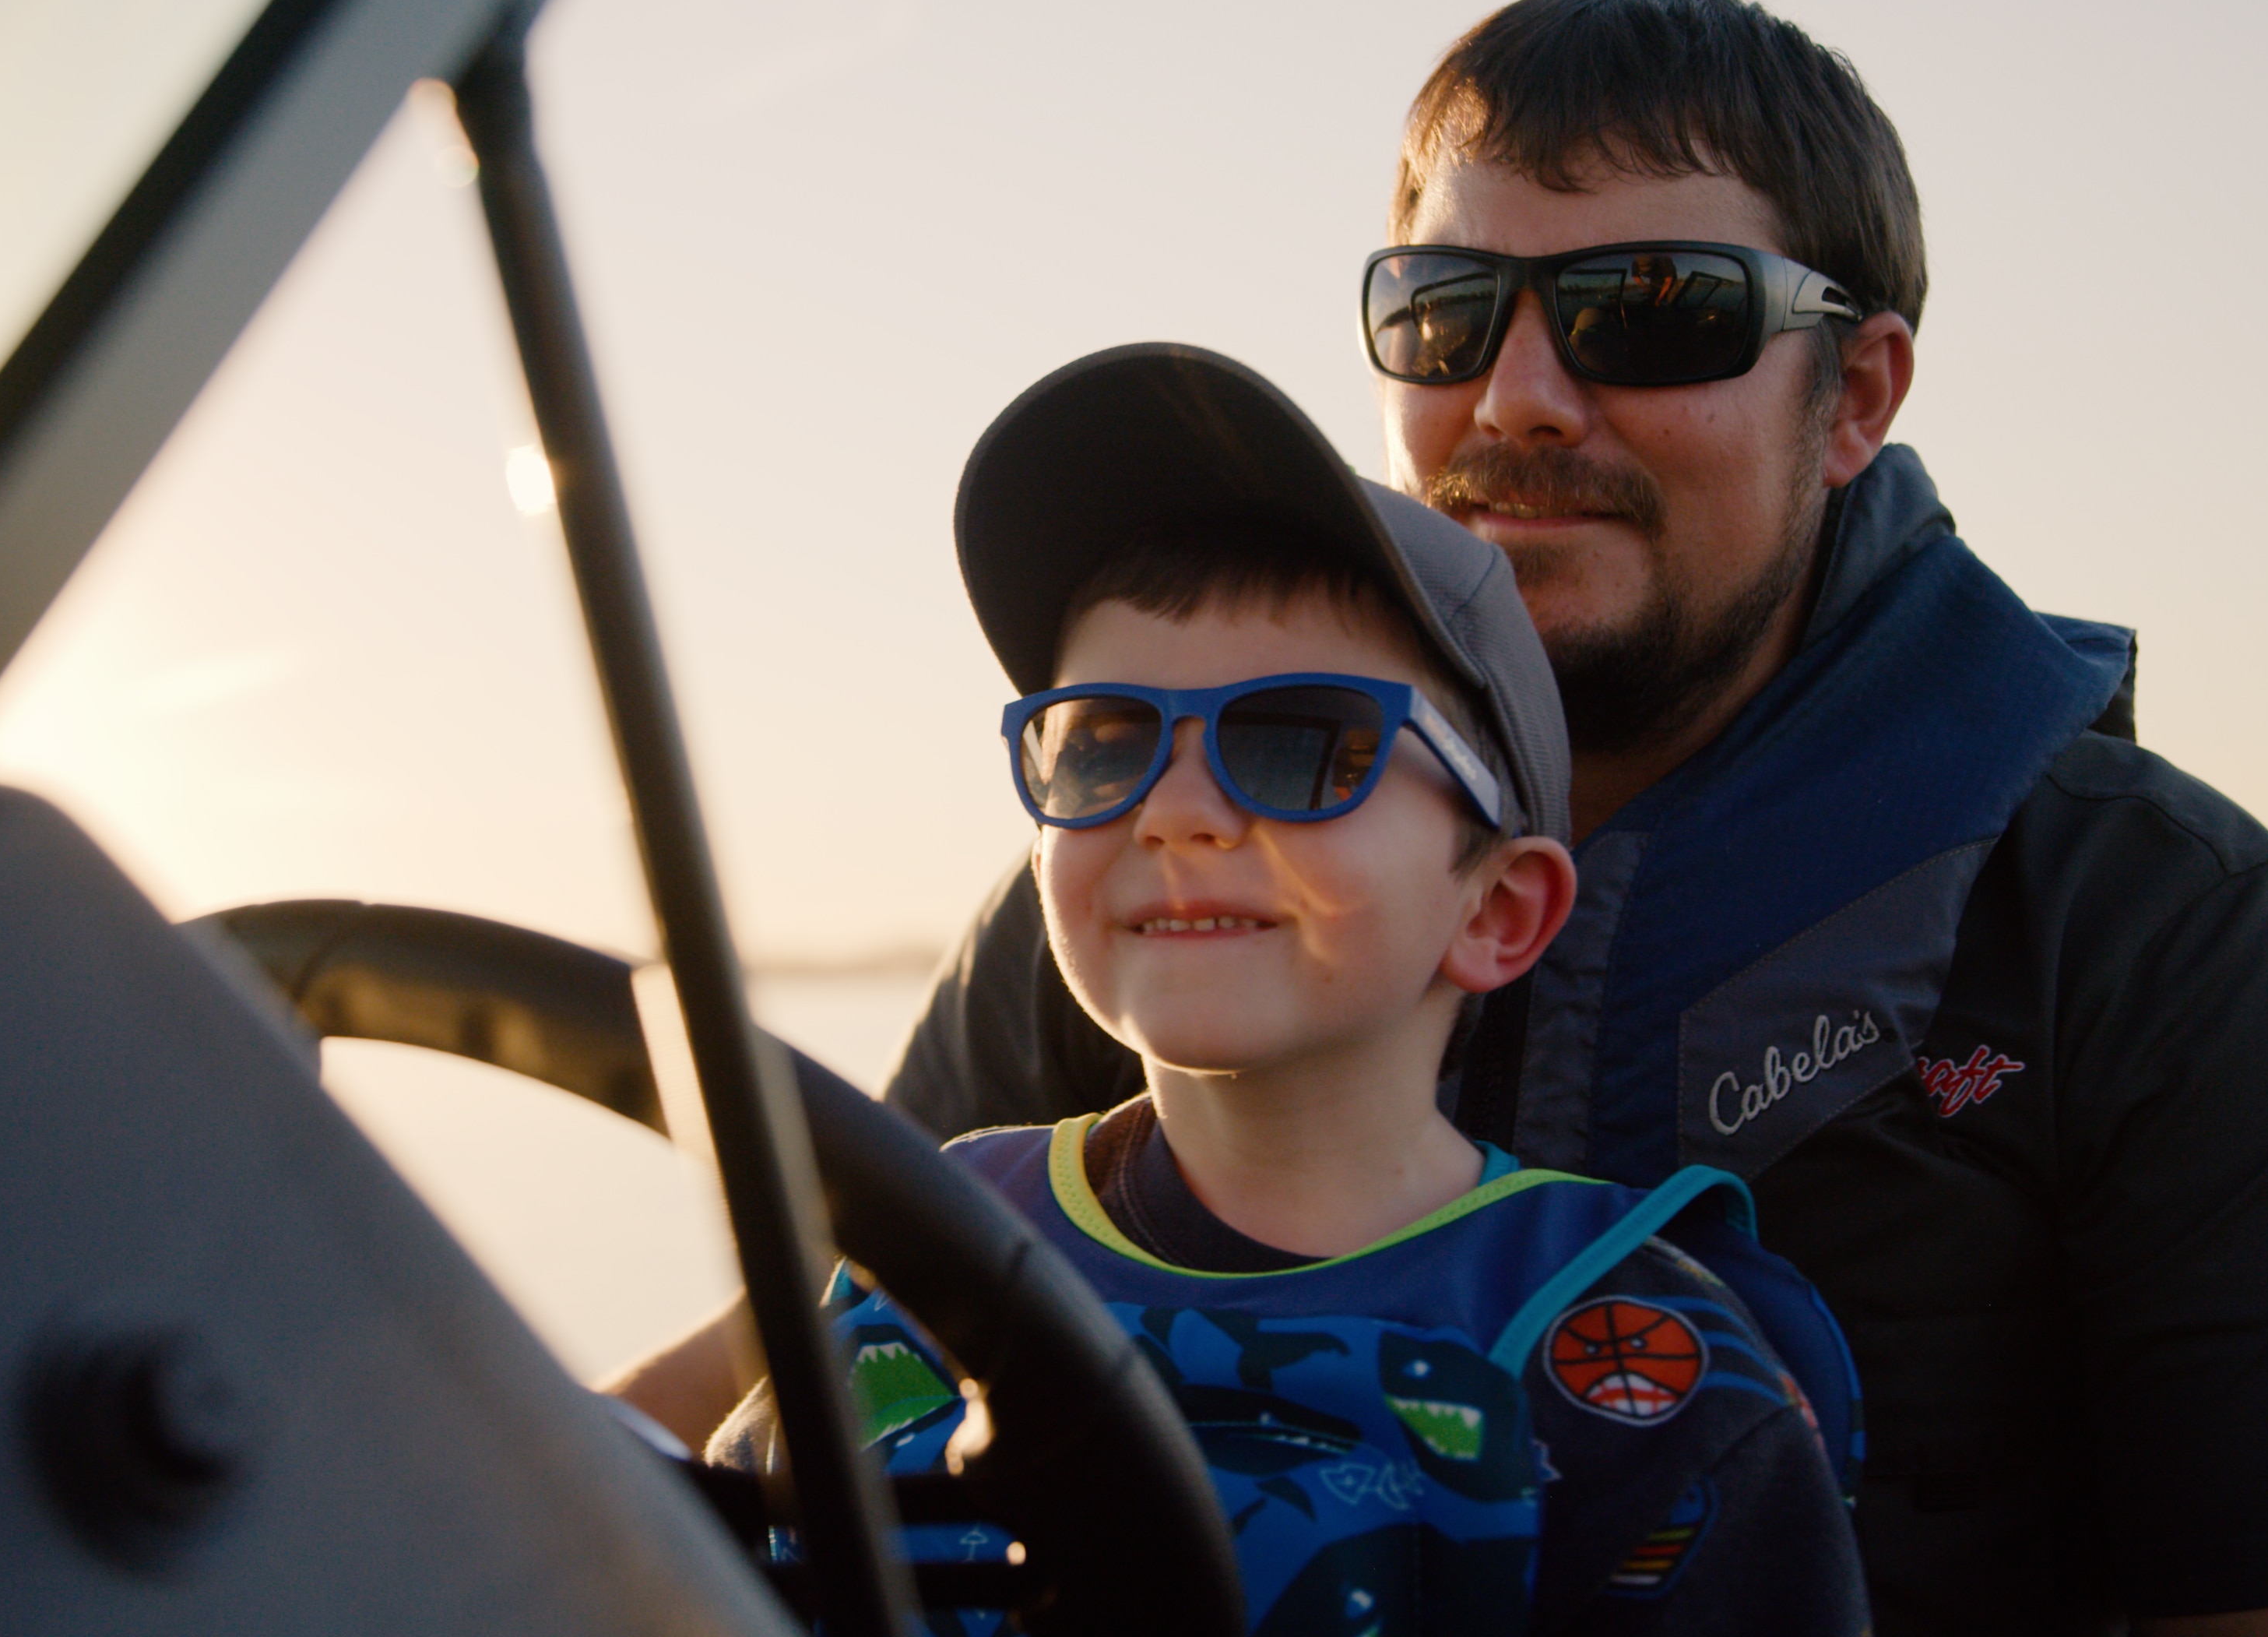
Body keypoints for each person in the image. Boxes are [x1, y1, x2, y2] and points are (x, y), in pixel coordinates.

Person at [871, 0, 2268, 1637]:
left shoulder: (2155, 924)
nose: (1516, 400)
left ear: (1860, 395)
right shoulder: (1173, 882)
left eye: (1655, 310)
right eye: (1446, 311)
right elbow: (785, 1349)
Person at [710, 341, 1867, 1634]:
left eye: (1302, 743)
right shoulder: (933, 1243)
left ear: (1496, 911)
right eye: (1104, 744)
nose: (1178, 810)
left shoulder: (1640, 1375)